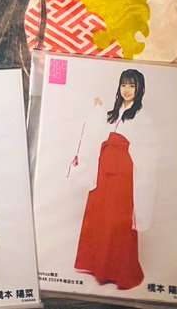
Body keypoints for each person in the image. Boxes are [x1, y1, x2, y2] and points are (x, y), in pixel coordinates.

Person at [70, 68, 154, 290]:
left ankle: (119, 270)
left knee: (119, 218)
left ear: (140, 89)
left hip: (123, 171)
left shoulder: (142, 117)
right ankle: (97, 264)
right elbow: (96, 133)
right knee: (99, 214)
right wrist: (97, 111)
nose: (127, 90)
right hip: (103, 167)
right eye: (124, 85)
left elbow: (145, 149)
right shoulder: (113, 113)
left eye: (132, 86)